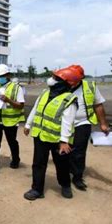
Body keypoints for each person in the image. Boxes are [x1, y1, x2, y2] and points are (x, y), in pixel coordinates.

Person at [23, 67, 79, 200]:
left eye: (56, 78)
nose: (52, 80)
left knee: (61, 164)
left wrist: (64, 141)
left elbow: (67, 121)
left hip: (57, 140)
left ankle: (65, 185)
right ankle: (37, 190)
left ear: (64, 83)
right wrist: (28, 124)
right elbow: (36, 109)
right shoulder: (44, 93)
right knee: (38, 163)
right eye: (53, 77)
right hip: (40, 135)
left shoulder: (69, 99)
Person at [68, 64, 109, 191]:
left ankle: (77, 177)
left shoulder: (90, 86)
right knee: (64, 150)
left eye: (74, 79)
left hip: (82, 123)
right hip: (65, 124)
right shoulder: (62, 84)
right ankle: (66, 171)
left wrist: (103, 123)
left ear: (81, 78)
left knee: (79, 151)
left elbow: (98, 105)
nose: (71, 82)